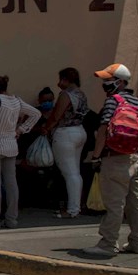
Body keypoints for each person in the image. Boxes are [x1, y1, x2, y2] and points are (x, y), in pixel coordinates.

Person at [81, 64, 138, 257]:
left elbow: (103, 131)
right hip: (133, 158)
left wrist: (95, 156)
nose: (104, 83)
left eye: (107, 80)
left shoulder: (112, 102)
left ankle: (108, 244)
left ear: (119, 81)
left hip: (114, 158)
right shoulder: (136, 102)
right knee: (136, 203)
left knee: (114, 204)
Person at [0, 76, 41, 230]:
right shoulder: (16, 100)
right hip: (11, 145)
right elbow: (36, 114)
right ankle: (11, 219)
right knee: (11, 184)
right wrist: (21, 129)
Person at [41, 67, 90, 219]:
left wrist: (46, 128)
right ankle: (76, 206)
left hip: (65, 133)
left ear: (66, 79)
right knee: (75, 172)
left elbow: (56, 115)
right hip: (80, 131)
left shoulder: (66, 95)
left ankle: (72, 209)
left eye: (61, 79)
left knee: (70, 173)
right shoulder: (81, 94)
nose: (59, 83)